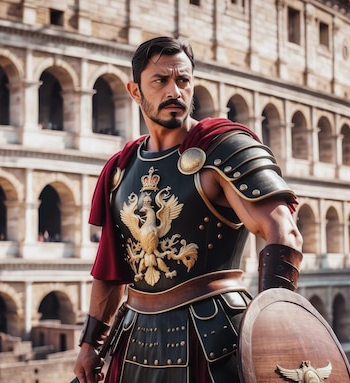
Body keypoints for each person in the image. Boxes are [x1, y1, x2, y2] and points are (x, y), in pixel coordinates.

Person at [73, 36, 303, 383]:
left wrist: (273, 323)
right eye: (160, 81)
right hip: (134, 337)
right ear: (135, 92)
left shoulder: (223, 148)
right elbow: (111, 267)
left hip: (212, 337)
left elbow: (282, 232)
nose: (174, 91)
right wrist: (91, 342)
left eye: (183, 81)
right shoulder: (121, 170)